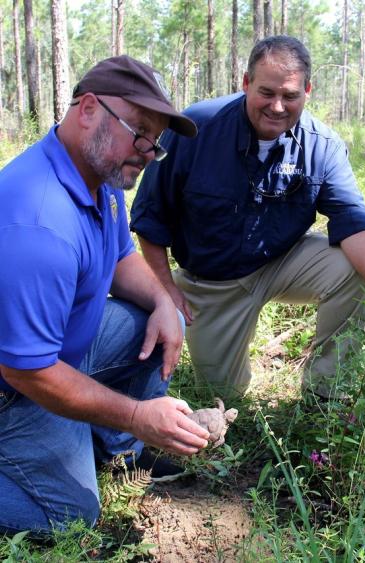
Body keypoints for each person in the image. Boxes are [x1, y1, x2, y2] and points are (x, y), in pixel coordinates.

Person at [0, 55, 210, 535]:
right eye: (138, 130)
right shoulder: (38, 224)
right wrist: (137, 414)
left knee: (161, 318)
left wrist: (162, 300)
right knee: (69, 515)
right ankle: (107, 431)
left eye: (154, 141)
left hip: (58, 350)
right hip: (15, 389)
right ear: (89, 108)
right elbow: (26, 371)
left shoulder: (102, 176)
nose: (146, 151)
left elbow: (119, 259)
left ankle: (118, 448)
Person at [130, 36, 365, 400]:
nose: (277, 106)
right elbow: (151, 216)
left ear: (307, 90)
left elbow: (354, 218)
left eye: (290, 96)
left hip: (281, 261)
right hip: (214, 283)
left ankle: (325, 394)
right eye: (266, 92)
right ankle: (223, 379)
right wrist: (165, 287)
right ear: (245, 83)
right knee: (220, 395)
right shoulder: (198, 128)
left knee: (356, 268)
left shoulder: (322, 146)